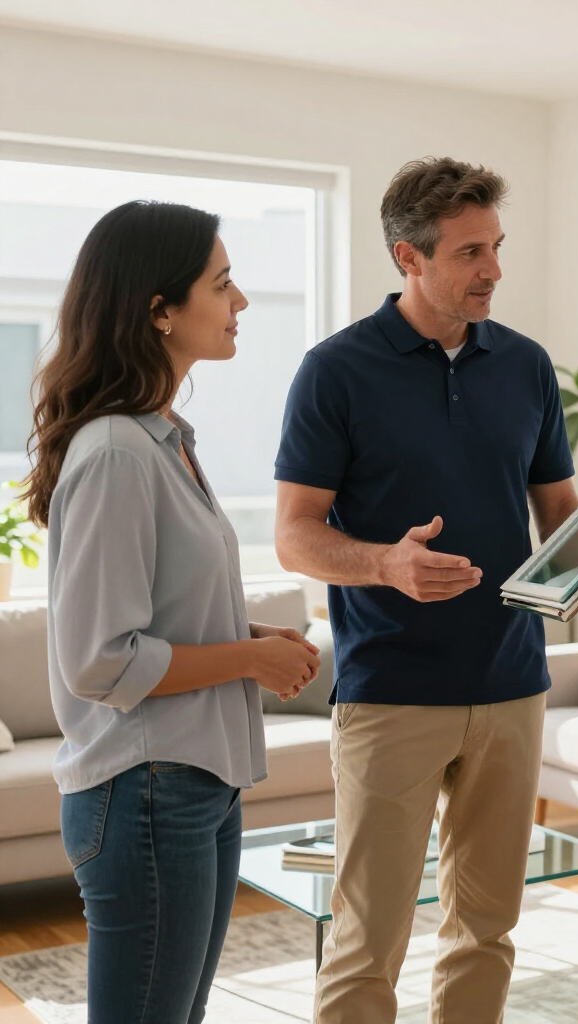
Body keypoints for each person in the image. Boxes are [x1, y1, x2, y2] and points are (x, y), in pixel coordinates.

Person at [274, 157, 578, 1023]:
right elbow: (294, 535)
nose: (494, 271)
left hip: (513, 683)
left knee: (489, 927)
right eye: (471, 251)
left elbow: (559, 510)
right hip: (391, 691)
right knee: (370, 938)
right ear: (409, 257)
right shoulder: (335, 371)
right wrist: (384, 564)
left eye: (497, 246)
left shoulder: (526, 366)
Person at [25, 200, 321, 1024]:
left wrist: (251, 638)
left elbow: (160, 614)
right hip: (147, 792)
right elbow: (101, 660)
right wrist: (248, 661)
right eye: (222, 285)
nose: (242, 303)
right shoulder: (119, 451)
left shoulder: (164, 437)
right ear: (159, 311)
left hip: (194, 786)